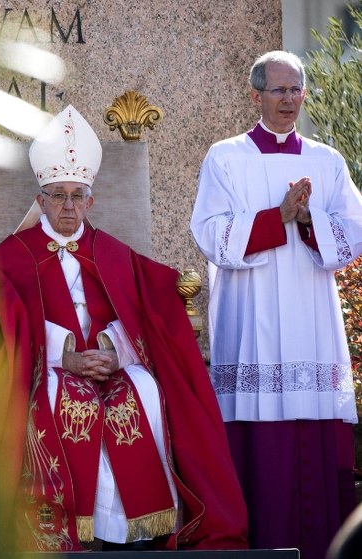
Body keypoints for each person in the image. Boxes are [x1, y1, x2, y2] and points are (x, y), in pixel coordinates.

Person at [0, 105, 248, 552]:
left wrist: (113, 349)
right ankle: (72, 536)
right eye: (58, 195)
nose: (68, 206)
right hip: (49, 367)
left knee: (142, 390)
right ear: (41, 199)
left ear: (91, 200)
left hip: (110, 365)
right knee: (67, 400)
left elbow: (148, 303)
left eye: (77, 195)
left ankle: (136, 537)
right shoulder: (12, 255)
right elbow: (7, 318)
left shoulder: (109, 251)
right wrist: (62, 355)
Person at [190, 50, 362, 559]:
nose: (288, 100)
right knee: (260, 449)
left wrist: (308, 223)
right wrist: (276, 217)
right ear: (256, 96)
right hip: (253, 319)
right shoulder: (225, 157)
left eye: (295, 90)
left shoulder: (327, 161)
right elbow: (209, 233)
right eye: (278, 90)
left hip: (311, 316)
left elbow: (354, 231)